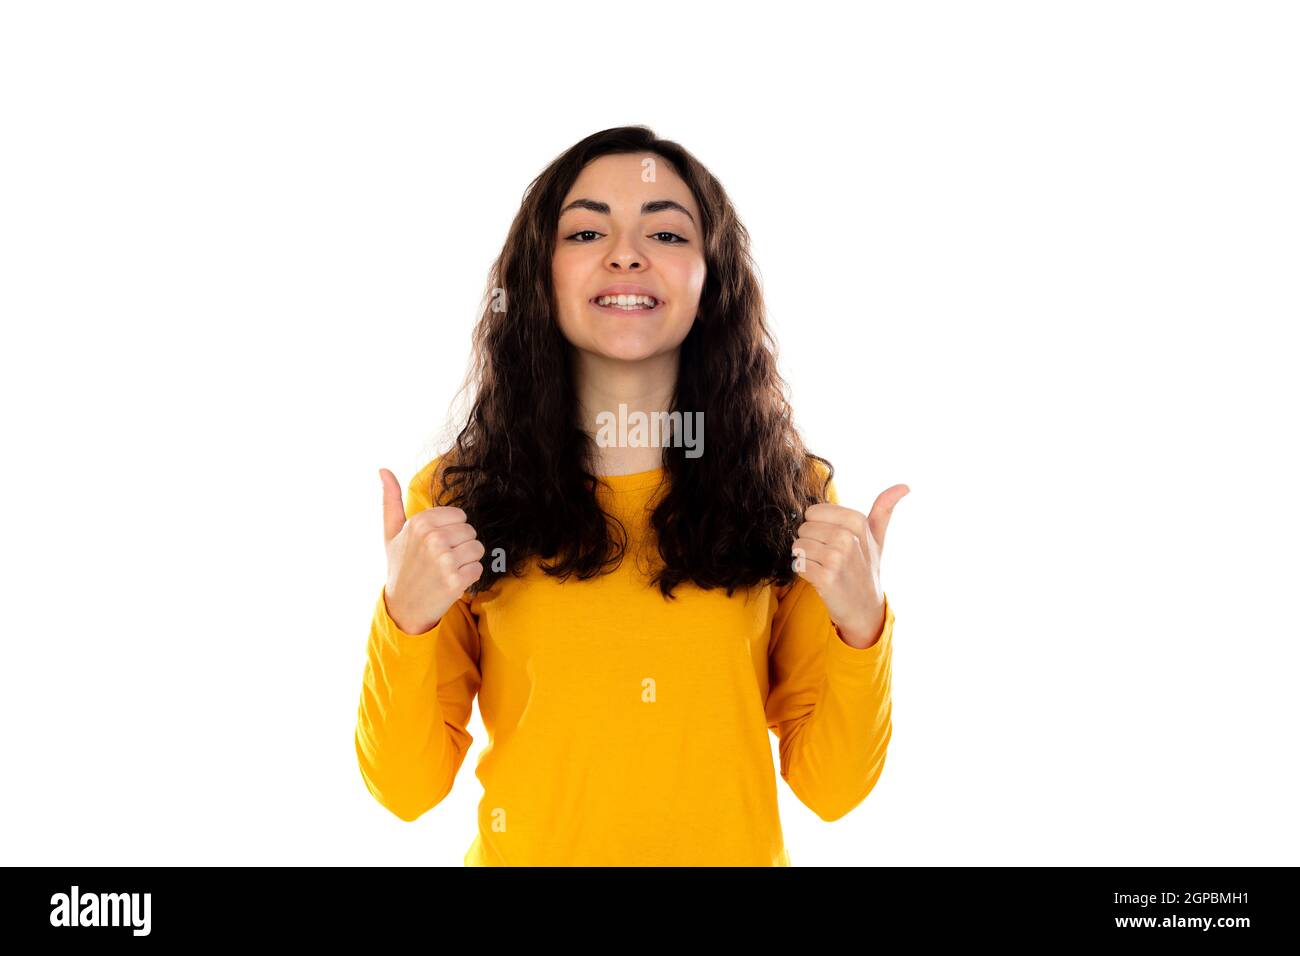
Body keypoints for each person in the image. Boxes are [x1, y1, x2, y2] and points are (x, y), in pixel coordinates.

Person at [354, 125, 909, 866]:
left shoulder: (794, 495)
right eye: (587, 229)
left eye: (667, 233)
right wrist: (407, 619)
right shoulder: (457, 500)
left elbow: (831, 789)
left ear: (712, 279)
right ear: (539, 275)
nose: (626, 253)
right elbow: (405, 788)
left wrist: (862, 625)